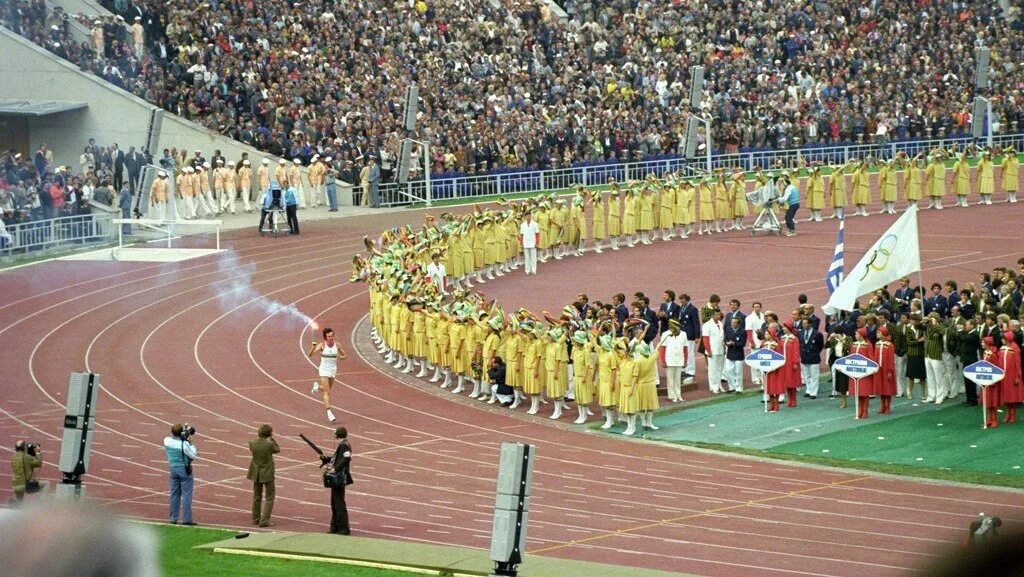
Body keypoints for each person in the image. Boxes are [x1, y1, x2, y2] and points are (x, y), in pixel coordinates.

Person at [310, 327, 346, 422]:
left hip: (332, 370)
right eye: (329, 336)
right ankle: (329, 412)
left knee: (327, 389)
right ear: (325, 337)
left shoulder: (337, 345)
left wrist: (342, 357)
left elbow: (344, 355)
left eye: (332, 335)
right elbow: (310, 355)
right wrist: (313, 348)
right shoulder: (322, 345)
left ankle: (317, 387)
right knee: (327, 392)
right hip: (324, 369)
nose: (331, 338)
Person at [163, 423, 197, 525]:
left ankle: (173, 518)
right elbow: (193, 455)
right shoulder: (184, 444)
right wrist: (191, 443)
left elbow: (171, 439)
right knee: (186, 495)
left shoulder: (167, 441)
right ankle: (187, 520)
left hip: (173, 468)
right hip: (184, 469)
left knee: (174, 494)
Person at [247, 424, 279, 527]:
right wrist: (273, 439)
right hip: (267, 473)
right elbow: (277, 449)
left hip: (256, 472)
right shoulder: (269, 444)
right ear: (269, 434)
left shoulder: (252, 443)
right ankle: (264, 520)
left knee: (257, 497)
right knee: (269, 497)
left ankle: (256, 518)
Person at [328, 427, 353, 535]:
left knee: (339, 503)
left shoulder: (345, 446)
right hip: (336, 477)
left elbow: (347, 458)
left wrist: (335, 469)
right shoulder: (342, 446)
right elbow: (337, 459)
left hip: (339, 477)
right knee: (334, 503)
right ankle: (335, 527)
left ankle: (343, 528)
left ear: (338, 436)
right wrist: (325, 458)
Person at [657, 319, 688, 402]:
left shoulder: (683, 334)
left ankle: (678, 395)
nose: (670, 326)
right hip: (669, 359)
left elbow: (685, 348)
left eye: (672, 325)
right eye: (670, 325)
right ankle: (672, 396)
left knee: (677, 379)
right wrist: (663, 360)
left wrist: (685, 360)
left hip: (679, 359)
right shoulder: (665, 334)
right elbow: (663, 348)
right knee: (670, 379)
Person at [676, 294, 701, 384]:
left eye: (683, 301)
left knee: (689, 353)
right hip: (682, 334)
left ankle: (690, 370)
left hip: (690, 335)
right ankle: (684, 368)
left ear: (687, 300)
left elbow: (696, 323)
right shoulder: (681, 308)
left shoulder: (692, 309)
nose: (681, 303)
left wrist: (697, 336)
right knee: (683, 352)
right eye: (681, 301)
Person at [798, 317, 824, 398]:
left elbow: (820, 346)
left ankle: (813, 392)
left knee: (814, 376)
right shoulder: (800, 333)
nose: (804, 325)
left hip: (814, 357)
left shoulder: (817, 334)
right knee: (806, 376)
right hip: (804, 357)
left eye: (805, 323)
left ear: (810, 324)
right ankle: (808, 390)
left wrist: (815, 352)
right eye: (803, 323)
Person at [701, 310, 726, 393]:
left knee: (720, 368)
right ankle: (713, 386)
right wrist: (708, 350)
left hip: (720, 349)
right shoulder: (707, 325)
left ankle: (719, 385)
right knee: (712, 369)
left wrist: (724, 348)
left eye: (719, 314)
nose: (718, 316)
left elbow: (722, 337)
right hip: (712, 349)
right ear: (712, 315)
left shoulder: (720, 323)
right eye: (716, 314)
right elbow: (705, 338)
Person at [723, 316, 746, 393]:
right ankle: (731, 387)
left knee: (738, 372)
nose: (732, 324)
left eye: (734, 323)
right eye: (732, 322)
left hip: (739, 354)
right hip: (730, 353)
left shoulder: (743, 331)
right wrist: (727, 343)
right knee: (729, 370)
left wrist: (734, 343)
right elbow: (725, 339)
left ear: (738, 324)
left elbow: (743, 343)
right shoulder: (728, 330)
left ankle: (739, 388)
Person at [519, 211, 539, 275]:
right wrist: (521, 243)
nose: (528, 217)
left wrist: (537, 242)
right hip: (525, 242)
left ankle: (533, 270)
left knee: (533, 257)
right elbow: (522, 235)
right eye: (527, 216)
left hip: (533, 242)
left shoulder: (535, 224)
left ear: (531, 216)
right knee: (527, 258)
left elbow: (537, 234)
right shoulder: (522, 225)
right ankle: (527, 271)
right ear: (525, 217)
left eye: (529, 215)